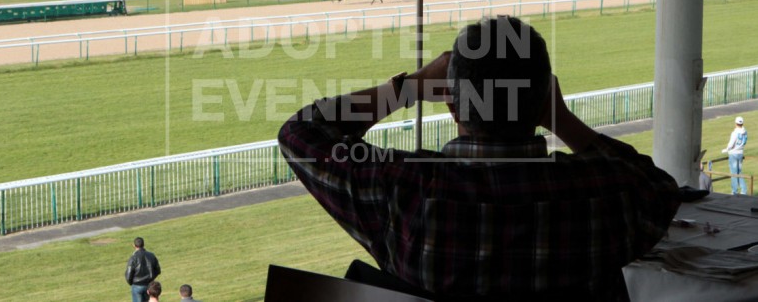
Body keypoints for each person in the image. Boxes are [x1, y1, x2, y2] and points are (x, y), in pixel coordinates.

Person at [279, 16, 680, 301]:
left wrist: (407, 89)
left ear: (453, 106)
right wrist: (560, 118)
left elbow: (300, 135)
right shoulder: (602, 191)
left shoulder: (403, 189)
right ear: (544, 101)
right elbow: (658, 186)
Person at [126, 237, 162, 302]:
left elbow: (129, 275)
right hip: (149, 285)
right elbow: (158, 270)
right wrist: (151, 279)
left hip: (137, 286)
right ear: (143, 244)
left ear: (134, 245)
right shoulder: (151, 255)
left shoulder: (133, 258)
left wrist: (132, 283)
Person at [722, 116, 748, 194]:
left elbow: (731, 144)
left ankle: (734, 191)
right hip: (740, 153)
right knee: (739, 172)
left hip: (733, 153)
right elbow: (745, 142)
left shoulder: (735, 133)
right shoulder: (745, 132)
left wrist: (726, 149)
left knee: (733, 173)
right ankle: (744, 190)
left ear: (736, 123)